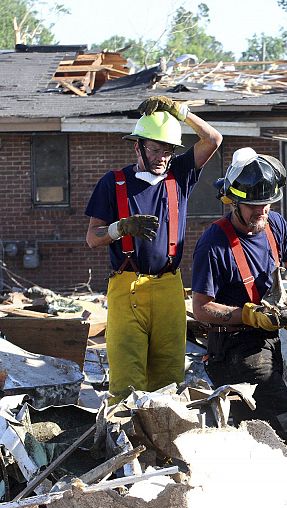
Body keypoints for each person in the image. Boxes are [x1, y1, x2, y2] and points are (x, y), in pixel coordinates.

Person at [85, 96, 222, 402]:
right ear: (138, 147)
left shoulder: (179, 176)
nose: (162, 157)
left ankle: (161, 433)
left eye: (168, 150)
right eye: (155, 149)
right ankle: (125, 431)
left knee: (168, 380)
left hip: (168, 287)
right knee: (126, 381)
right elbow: (93, 237)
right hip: (127, 287)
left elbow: (213, 139)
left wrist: (180, 111)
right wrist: (120, 228)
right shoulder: (114, 183)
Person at [191, 147, 287, 440]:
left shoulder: (275, 225)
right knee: (285, 413)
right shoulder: (213, 244)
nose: (261, 212)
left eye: (266, 204)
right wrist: (249, 316)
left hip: (274, 337)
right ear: (234, 202)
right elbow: (201, 307)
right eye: (253, 206)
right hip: (235, 347)